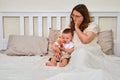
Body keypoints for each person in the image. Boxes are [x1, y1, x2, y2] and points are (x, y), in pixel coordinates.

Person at [46, 4, 120, 80]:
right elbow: (59, 42)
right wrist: (57, 49)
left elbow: (85, 40)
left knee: (83, 53)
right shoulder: (67, 29)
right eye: (73, 15)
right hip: (75, 53)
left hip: (90, 51)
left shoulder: (92, 26)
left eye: (77, 16)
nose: (74, 18)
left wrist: (76, 27)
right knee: (79, 54)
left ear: (84, 17)